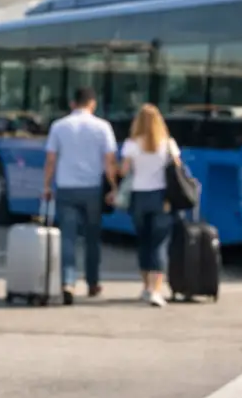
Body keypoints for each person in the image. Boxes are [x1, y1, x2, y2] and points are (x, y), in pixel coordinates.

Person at [41, 86, 118, 304]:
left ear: (73, 103)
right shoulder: (103, 127)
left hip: (66, 188)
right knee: (92, 238)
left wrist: (47, 186)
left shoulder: (59, 126)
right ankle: (93, 282)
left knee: (68, 237)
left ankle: (68, 282)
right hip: (93, 189)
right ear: (92, 103)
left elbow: (51, 160)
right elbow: (109, 161)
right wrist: (113, 187)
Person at [122, 103, 178, 307]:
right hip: (161, 198)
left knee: (143, 242)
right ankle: (156, 290)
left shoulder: (132, 144)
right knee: (159, 243)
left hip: (138, 197)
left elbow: (125, 169)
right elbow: (177, 171)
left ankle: (146, 287)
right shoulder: (168, 144)